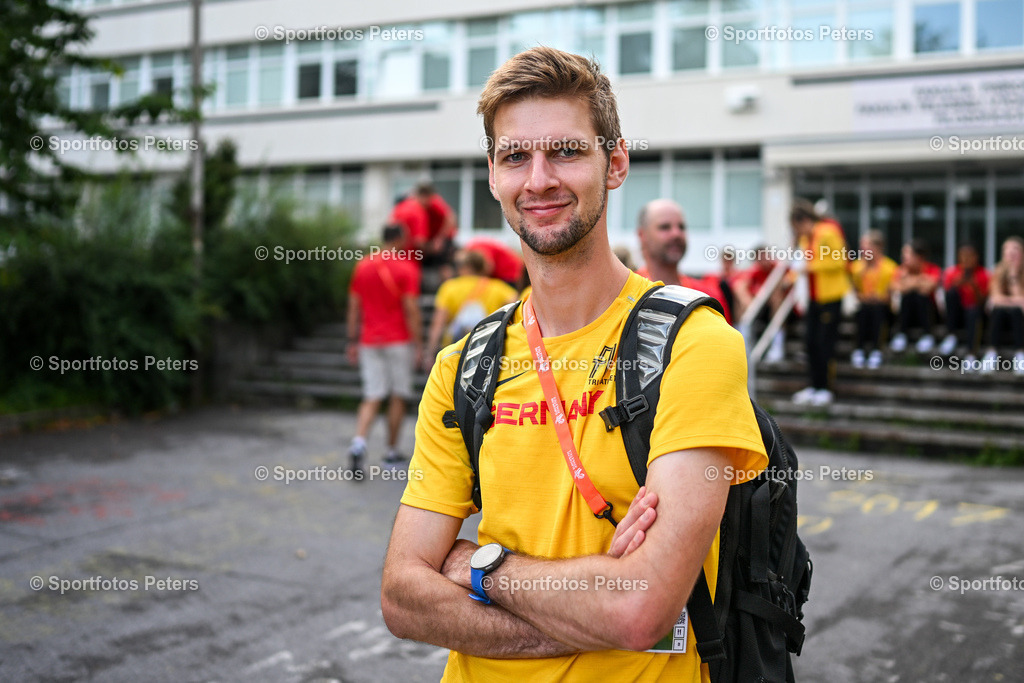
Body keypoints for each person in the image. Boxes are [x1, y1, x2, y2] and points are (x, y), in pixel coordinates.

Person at [381, 46, 767, 682]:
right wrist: (594, 603)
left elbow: (642, 611)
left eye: (565, 151)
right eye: (515, 157)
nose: (539, 180)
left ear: (613, 163)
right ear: (492, 175)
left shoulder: (694, 344)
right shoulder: (463, 366)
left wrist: (478, 567)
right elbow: (401, 597)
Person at [346, 224, 422, 472]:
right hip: (398, 340)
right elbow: (410, 308)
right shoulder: (406, 268)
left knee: (372, 395)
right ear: (399, 239)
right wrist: (419, 344)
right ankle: (390, 453)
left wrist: (351, 340)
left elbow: (354, 307)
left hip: (369, 340)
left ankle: (358, 443)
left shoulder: (363, 265)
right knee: (398, 395)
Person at [789, 199, 849, 406]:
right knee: (811, 342)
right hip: (814, 297)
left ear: (804, 220)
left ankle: (825, 388)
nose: (797, 232)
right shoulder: (808, 238)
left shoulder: (828, 231)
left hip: (830, 296)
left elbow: (840, 260)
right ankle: (814, 386)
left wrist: (811, 267)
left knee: (825, 343)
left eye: (797, 227)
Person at [636, 198, 733, 324]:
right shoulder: (626, 293)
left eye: (681, 227)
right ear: (642, 235)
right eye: (665, 227)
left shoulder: (707, 296)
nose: (676, 234)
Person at [424, 249, 518, 370]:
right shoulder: (499, 288)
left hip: (455, 349)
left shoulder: (449, 287)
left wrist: (430, 354)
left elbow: (438, 324)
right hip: (488, 348)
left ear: (465, 267)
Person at [848, 230, 898, 369]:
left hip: (883, 308)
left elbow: (890, 296)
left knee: (877, 310)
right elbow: (855, 292)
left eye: (866, 247)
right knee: (864, 310)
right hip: (865, 307)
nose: (863, 250)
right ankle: (859, 350)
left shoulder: (890, 267)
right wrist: (866, 297)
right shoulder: (857, 267)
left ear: (878, 247)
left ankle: (877, 350)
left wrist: (877, 298)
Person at [389, 180, 458, 275]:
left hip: (437, 241)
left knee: (443, 262)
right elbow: (420, 241)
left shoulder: (403, 206)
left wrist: (439, 239)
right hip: (419, 248)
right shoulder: (418, 212)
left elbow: (451, 218)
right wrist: (430, 247)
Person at [733, 245, 787, 363]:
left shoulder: (779, 268)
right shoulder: (756, 271)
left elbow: (787, 284)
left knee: (776, 296)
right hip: (759, 308)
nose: (764, 260)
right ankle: (743, 341)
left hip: (783, 310)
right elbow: (739, 286)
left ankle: (777, 345)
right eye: (760, 257)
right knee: (740, 298)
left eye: (765, 255)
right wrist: (749, 302)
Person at [981, 236, 1024, 375]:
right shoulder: (997, 271)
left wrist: (1013, 277)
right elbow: (995, 298)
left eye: (1015, 249)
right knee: (999, 311)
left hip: (1019, 319)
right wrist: (1014, 301)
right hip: (1001, 318)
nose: (1011, 253)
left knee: (1016, 311)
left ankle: (1020, 355)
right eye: (1007, 249)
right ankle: (992, 353)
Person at [890, 239, 941, 354]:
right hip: (907, 313)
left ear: (918, 257)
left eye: (907, 255)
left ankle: (927, 335)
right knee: (908, 295)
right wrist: (920, 280)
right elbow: (895, 287)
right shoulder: (902, 269)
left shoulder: (932, 269)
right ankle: (901, 334)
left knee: (920, 296)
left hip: (929, 314)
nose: (903, 258)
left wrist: (909, 282)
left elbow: (929, 287)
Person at [940, 244, 989, 359]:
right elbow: (946, 298)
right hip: (957, 314)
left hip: (974, 313)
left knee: (973, 312)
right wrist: (957, 284)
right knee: (951, 293)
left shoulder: (983, 274)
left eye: (969, 256)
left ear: (976, 257)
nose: (966, 259)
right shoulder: (952, 273)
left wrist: (974, 287)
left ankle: (971, 354)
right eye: (963, 256)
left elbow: (982, 303)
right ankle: (951, 335)